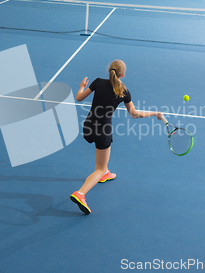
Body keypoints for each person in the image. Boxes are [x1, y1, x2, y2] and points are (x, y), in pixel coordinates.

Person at [70, 59, 165, 214]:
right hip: (103, 130)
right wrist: (155, 113)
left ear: (109, 71)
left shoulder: (98, 82)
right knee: (98, 169)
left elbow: (79, 98)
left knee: (102, 163)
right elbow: (134, 114)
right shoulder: (123, 91)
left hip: (89, 125)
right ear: (123, 75)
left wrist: (81, 87)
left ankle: (105, 172)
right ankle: (80, 193)